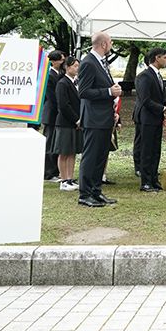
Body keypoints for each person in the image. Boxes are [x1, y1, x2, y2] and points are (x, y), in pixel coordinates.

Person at [77, 32, 121, 207]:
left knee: (101, 157)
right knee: (91, 156)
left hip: (104, 117)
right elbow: (84, 92)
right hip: (94, 118)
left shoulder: (101, 62)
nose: (111, 45)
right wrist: (109, 92)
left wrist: (112, 93)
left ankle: (96, 191)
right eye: (110, 42)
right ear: (103, 44)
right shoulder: (88, 62)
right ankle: (85, 194)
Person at [134, 47, 166, 192]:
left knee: (155, 149)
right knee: (146, 150)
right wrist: (163, 109)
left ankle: (153, 179)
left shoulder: (157, 76)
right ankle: (145, 182)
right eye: (165, 57)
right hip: (146, 119)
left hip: (156, 118)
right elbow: (145, 100)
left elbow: (160, 97)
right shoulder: (144, 76)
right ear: (157, 58)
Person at [52, 56, 82, 192]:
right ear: (67, 67)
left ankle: (70, 178)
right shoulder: (62, 83)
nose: (77, 68)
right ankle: (63, 179)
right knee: (64, 152)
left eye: (78, 66)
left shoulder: (76, 82)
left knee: (72, 151)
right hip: (65, 122)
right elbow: (64, 105)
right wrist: (76, 119)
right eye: (75, 66)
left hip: (75, 123)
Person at [42, 50, 64, 182]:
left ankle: (55, 170)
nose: (63, 63)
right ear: (53, 61)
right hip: (51, 113)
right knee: (49, 143)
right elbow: (52, 97)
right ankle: (48, 172)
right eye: (61, 60)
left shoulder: (59, 75)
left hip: (57, 114)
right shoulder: (49, 76)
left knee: (56, 143)